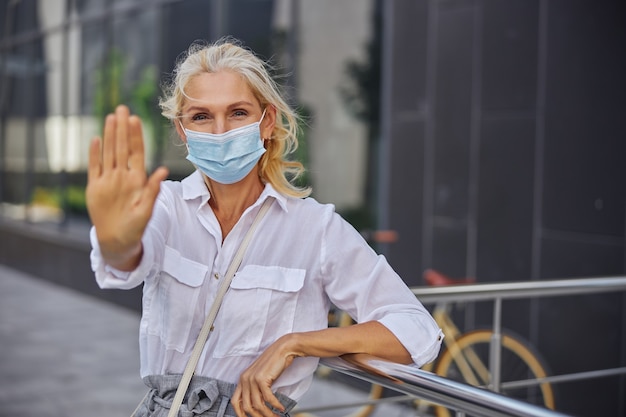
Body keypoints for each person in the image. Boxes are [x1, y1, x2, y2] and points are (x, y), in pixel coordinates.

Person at [86, 37, 443, 417]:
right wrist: (115, 242)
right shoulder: (165, 206)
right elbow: (126, 260)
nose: (220, 131)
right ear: (182, 130)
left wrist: (298, 343)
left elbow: (416, 330)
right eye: (201, 116)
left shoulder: (315, 229)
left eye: (238, 113)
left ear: (267, 121)